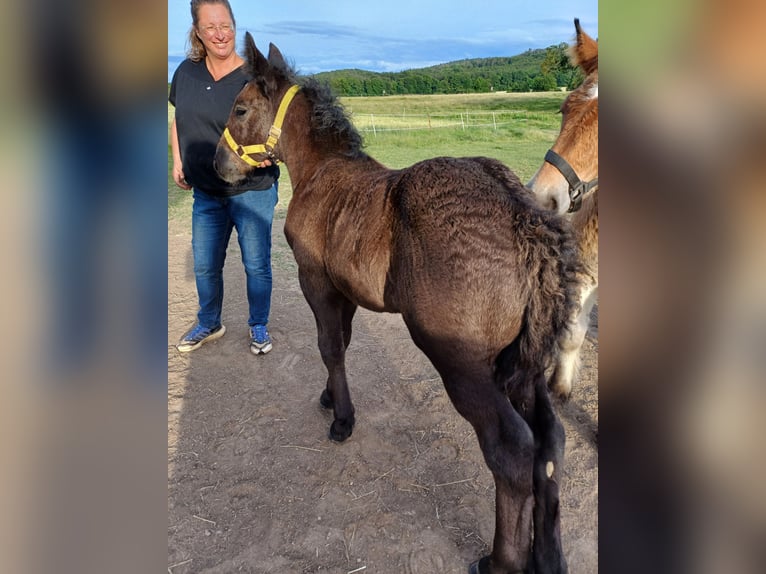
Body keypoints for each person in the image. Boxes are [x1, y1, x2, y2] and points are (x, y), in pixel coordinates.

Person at [170, 0, 278, 355]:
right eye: (211, 27)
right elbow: (178, 120)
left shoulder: (254, 77)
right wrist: (178, 160)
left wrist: (268, 154)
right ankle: (209, 322)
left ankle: (258, 325)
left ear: (234, 26)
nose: (221, 34)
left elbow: (277, 126)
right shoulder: (185, 72)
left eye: (226, 25)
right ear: (198, 32)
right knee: (205, 265)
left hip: (252, 190)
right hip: (206, 190)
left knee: (257, 264)